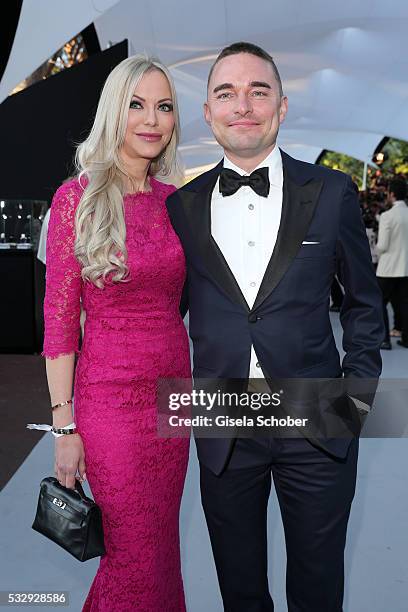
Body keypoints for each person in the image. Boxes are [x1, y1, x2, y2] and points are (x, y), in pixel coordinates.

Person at [165, 42, 384, 611]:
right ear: (208, 113)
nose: (244, 105)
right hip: (224, 422)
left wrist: (354, 399)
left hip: (317, 416)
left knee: (317, 587)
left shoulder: (331, 193)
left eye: (258, 91)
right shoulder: (180, 208)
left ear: (281, 107)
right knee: (240, 589)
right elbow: (165, 315)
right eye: (226, 93)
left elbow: (364, 304)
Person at [42, 54, 190, 611]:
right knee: (132, 555)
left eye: (164, 106)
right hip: (111, 404)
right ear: (114, 111)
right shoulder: (75, 200)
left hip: (174, 400)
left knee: (161, 551)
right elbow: (58, 327)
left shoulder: (178, 204)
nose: (151, 119)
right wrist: (64, 429)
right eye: (136, 104)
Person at [376, 178, 408, 349]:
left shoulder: (387, 216)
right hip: (405, 267)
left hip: (388, 268)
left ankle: (384, 339)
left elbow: (382, 245)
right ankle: (406, 337)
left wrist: (374, 250)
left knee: (379, 302)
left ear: (392, 194)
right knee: (403, 302)